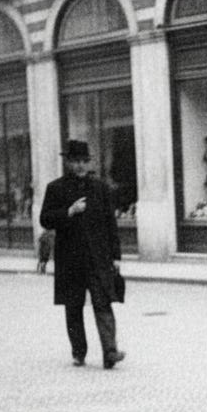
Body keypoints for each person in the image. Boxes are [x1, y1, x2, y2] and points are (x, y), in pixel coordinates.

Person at [39, 139, 125, 369]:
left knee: (103, 303)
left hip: (98, 257)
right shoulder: (56, 188)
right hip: (70, 258)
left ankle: (110, 352)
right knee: (73, 306)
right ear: (68, 162)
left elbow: (111, 224)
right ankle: (79, 352)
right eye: (75, 161)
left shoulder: (100, 188)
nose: (80, 166)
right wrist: (69, 211)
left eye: (84, 161)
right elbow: (45, 219)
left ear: (89, 163)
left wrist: (116, 256)